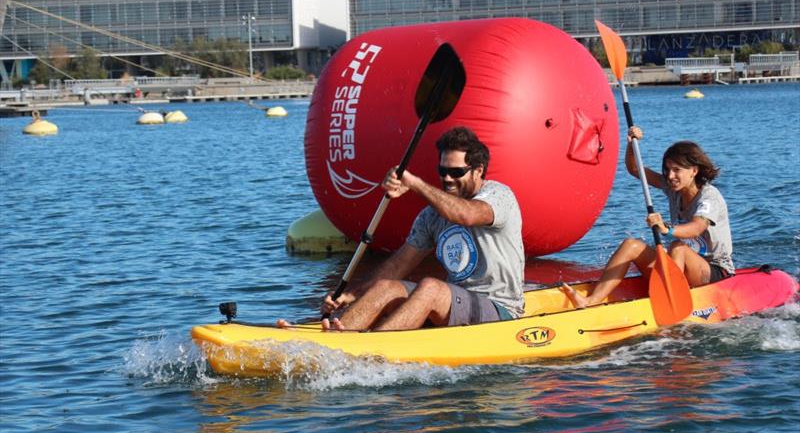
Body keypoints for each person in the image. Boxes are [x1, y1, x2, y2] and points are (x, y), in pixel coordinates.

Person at [281, 126, 525, 331]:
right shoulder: (431, 216)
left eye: (456, 172)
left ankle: (371, 352)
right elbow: (398, 265)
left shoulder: (499, 196)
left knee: (430, 287)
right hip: (458, 303)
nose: (448, 178)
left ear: (478, 170)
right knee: (386, 287)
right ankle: (333, 337)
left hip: (500, 309)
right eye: (443, 171)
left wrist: (414, 183)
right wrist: (353, 295)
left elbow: (465, 215)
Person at [561, 125, 734, 308]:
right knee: (631, 245)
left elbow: (696, 227)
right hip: (679, 267)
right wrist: (631, 144)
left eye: (676, 170)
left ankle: (672, 302)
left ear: (694, 171)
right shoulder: (673, 188)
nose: (670, 176)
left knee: (678, 247)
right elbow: (636, 170)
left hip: (714, 271)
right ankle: (590, 301)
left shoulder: (709, 197)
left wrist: (667, 229)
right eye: (667, 170)